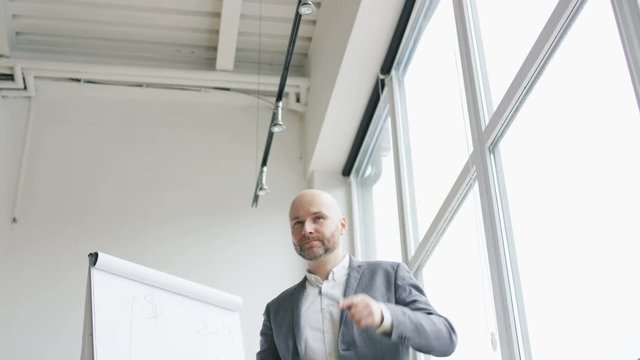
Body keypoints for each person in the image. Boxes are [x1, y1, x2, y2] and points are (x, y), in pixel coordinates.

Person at [257, 189, 457, 360]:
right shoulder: (276, 310)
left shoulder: (390, 275)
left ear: (342, 225)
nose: (307, 229)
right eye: (297, 223)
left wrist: (383, 316)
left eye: (318, 218)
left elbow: (445, 338)